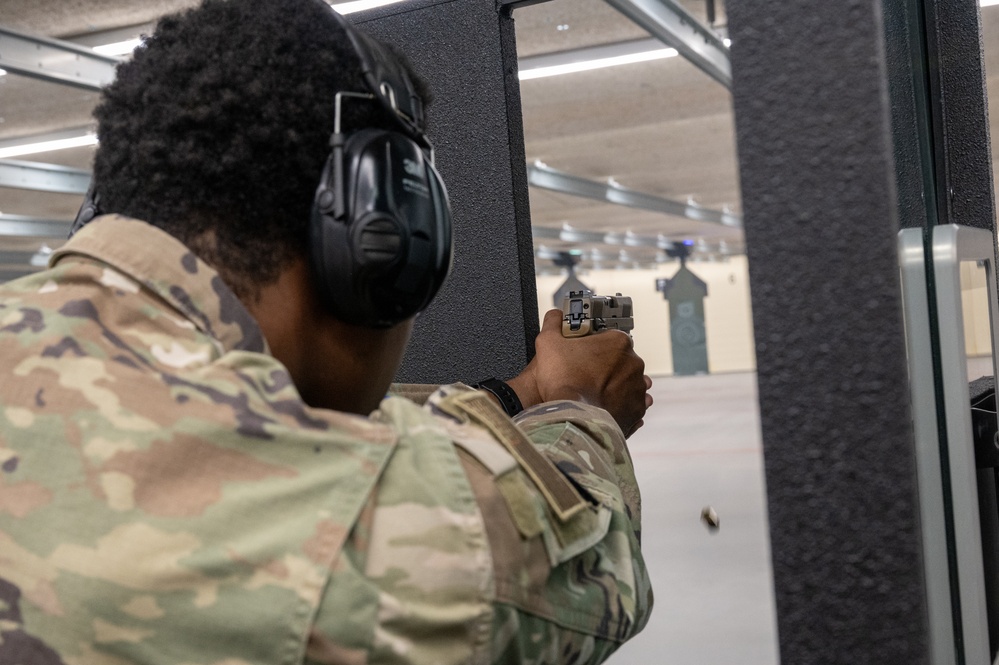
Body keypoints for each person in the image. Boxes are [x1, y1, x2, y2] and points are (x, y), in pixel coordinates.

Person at [0, 0, 653, 662]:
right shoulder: (281, 507)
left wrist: (521, 395)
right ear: (383, 240)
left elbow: (267, 419)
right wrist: (582, 405)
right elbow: (562, 569)